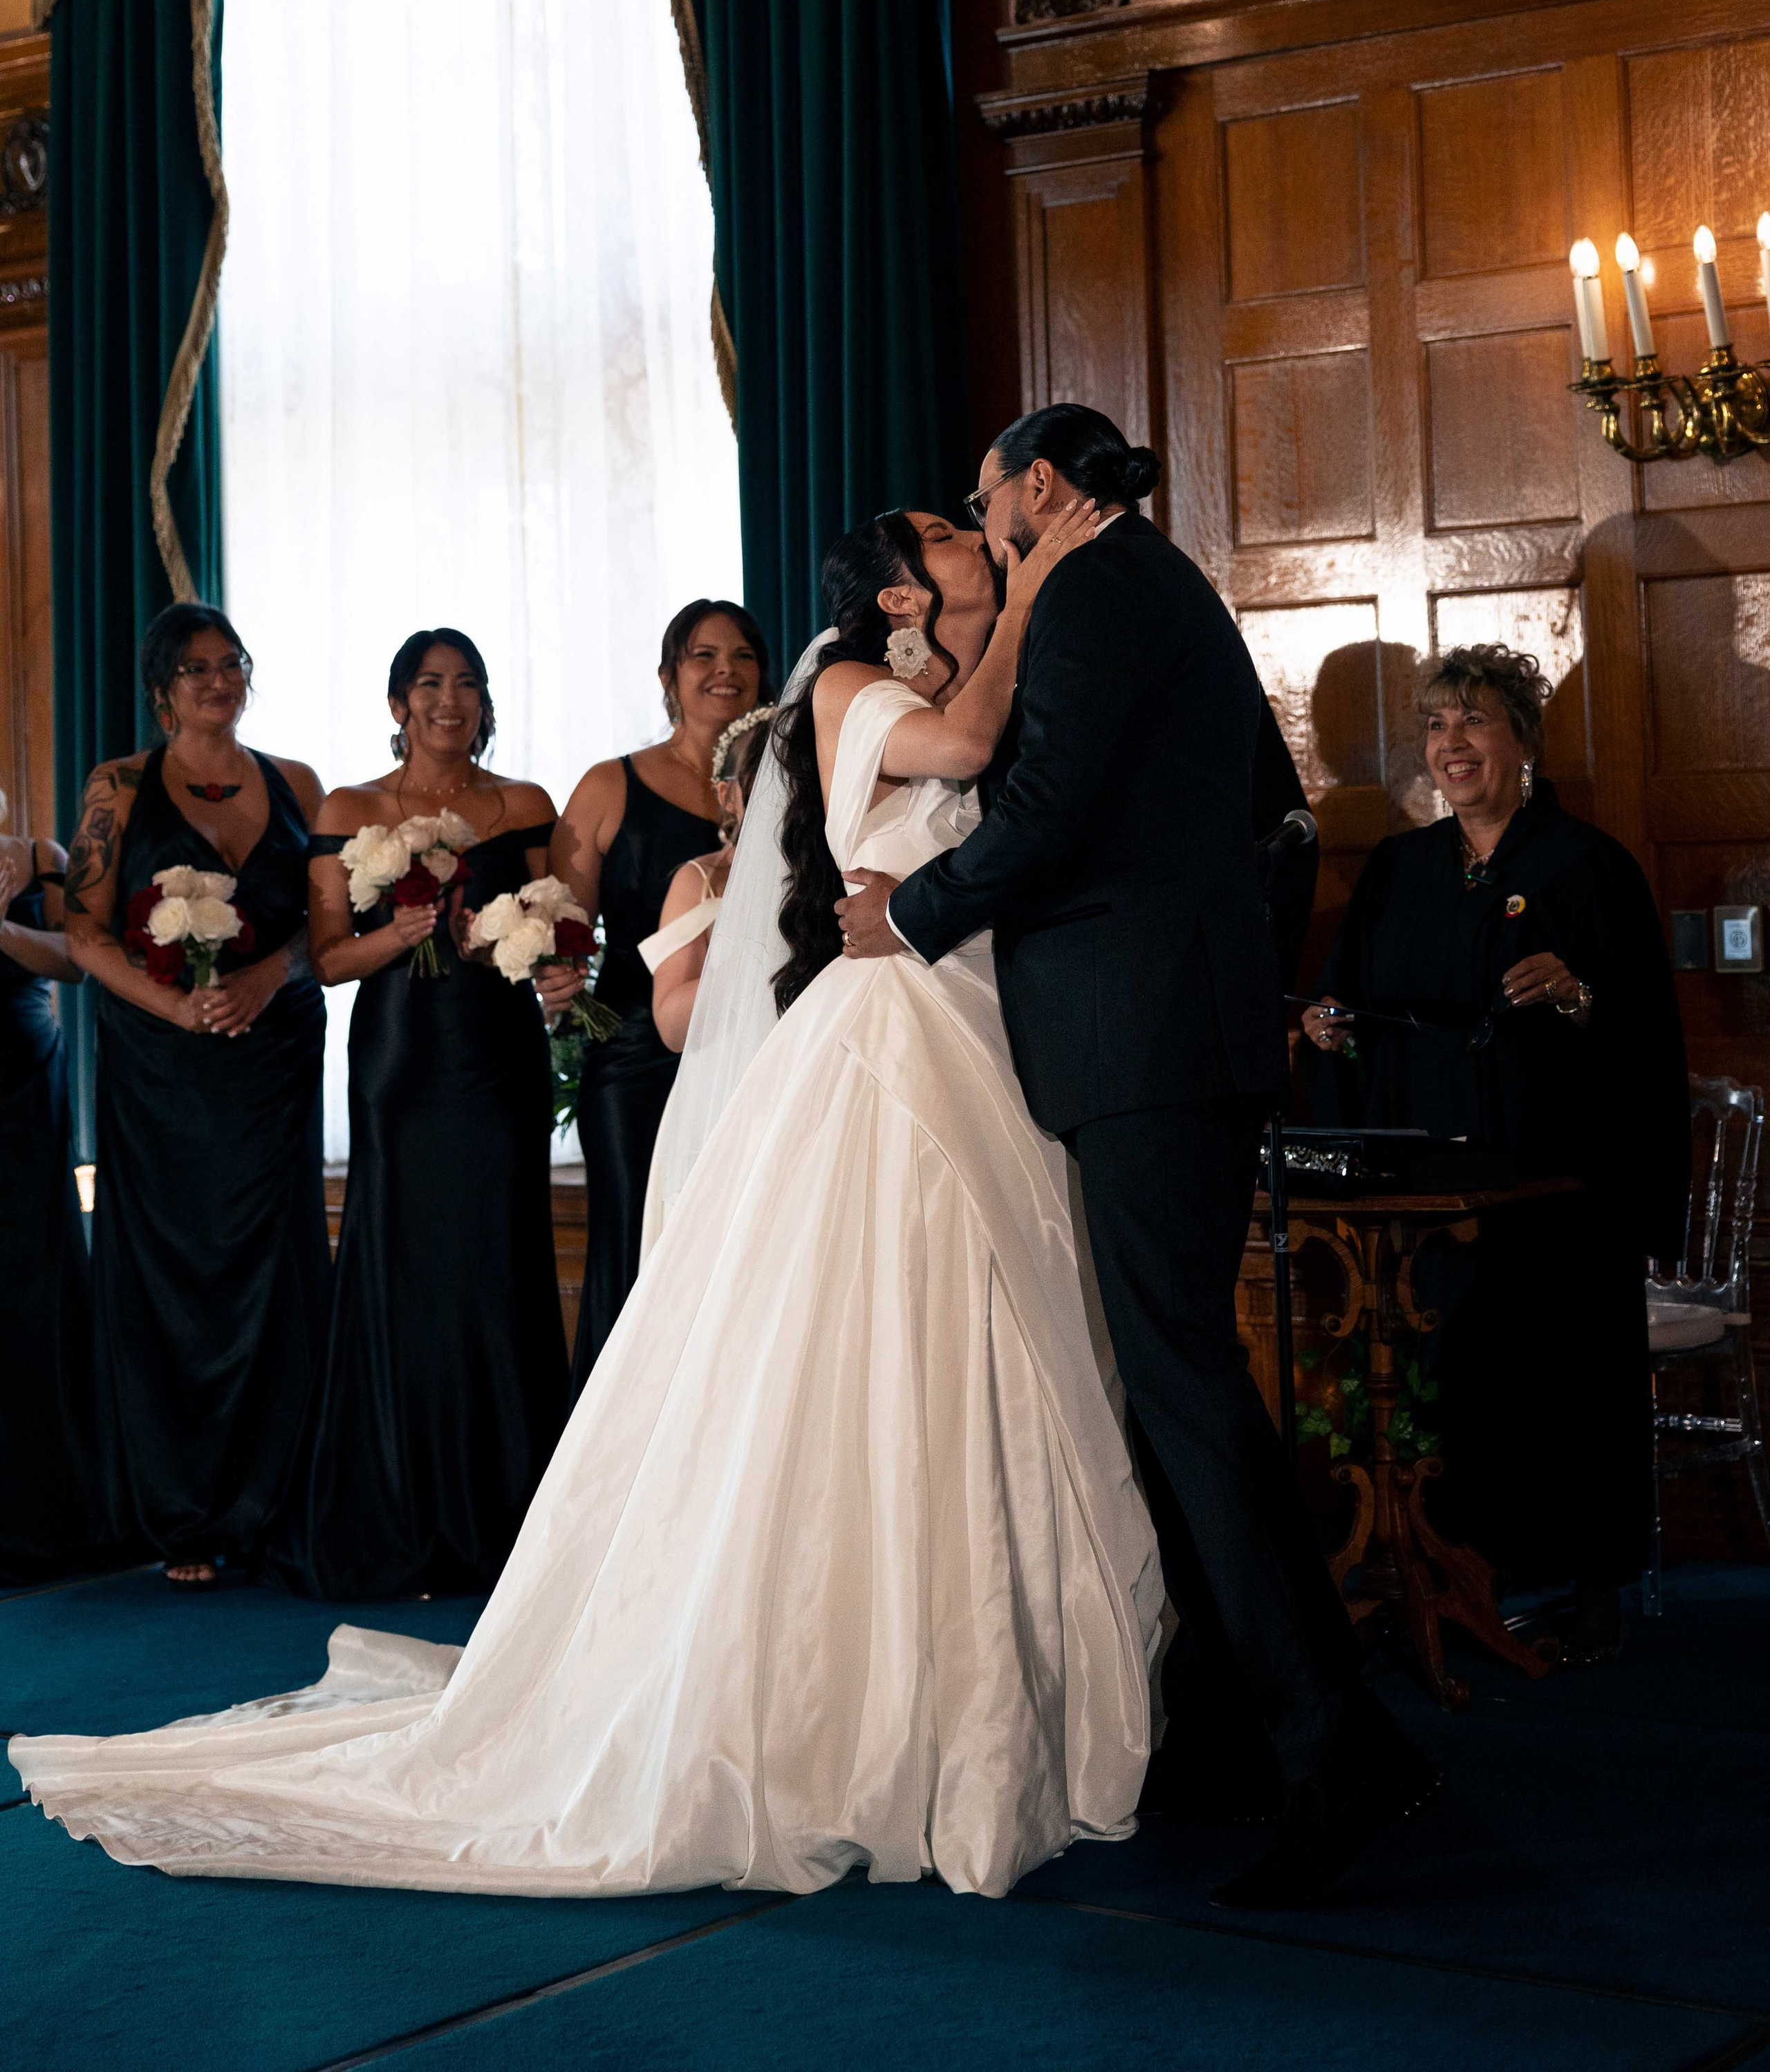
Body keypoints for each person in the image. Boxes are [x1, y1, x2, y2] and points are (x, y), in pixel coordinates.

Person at [9, 496, 1164, 1905]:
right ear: (899, 597)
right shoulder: (849, 692)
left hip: (911, 1035)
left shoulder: (623, 777)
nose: (978, 535)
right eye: (952, 533)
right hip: (458, 1059)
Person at [837, 403, 1433, 1912]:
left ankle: (1324, 1754)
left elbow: (1042, 815)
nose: (980, 532)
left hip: (1143, 1048)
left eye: (985, 505)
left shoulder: (1098, 589)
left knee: (1183, 1394)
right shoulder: (1156, 582)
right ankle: (1301, 1731)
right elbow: (1265, 816)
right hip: (1170, 1033)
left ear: (1039, 487)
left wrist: (903, 916)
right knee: (1185, 1390)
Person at [1303, 642, 1688, 1665]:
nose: (1453, 743)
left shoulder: (1585, 866)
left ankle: (1593, 1584)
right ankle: (1462, 1571)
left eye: (1474, 721)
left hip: (1554, 1179)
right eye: (1436, 726)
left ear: (1521, 739)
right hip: (1429, 1182)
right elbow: (1349, 1000)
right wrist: (1329, 1026)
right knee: (1445, 1375)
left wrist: (1575, 992)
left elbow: (1643, 1026)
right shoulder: (1399, 869)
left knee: (1569, 1381)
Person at [277, 630, 580, 1602]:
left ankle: (507, 1519)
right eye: (431, 685)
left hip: (497, 1058)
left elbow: (559, 928)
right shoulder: (351, 809)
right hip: (401, 1058)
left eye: (468, 685)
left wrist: (538, 964)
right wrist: (400, 935)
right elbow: (325, 960)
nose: (450, 700)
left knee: (498, 1263)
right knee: (403, 1264)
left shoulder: (525, 805)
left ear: (487, 704)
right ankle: (399, 1511)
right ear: (400, 702)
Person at [61, 605, 328, 1589]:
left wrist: (269, 979)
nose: (219, 681)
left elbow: (324, 928)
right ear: (161, 688)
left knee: (272, 1264)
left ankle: (275, 1500)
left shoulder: (297, 784)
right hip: (163, 1071)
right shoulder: (118, 789)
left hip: (273, 1060)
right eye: (196, 668)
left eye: (232, 664)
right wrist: (175, 1011)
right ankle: (179, 1511)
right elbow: (87, 937)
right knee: (172, 1272)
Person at [552, 600, 770, 1385]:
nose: (724, 671)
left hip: (751, 1054)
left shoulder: (790, 783)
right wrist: (554, 973)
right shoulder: (612, 784)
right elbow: (562, 925)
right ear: (668, 676)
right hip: (637, 1060)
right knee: (636, 1247)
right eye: (703, 655)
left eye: (742, 656)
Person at [0, 789, 99, 1580]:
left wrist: (1, 928)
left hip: (22, 1082)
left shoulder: (42, 858)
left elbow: (76, 956)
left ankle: (44, 1514)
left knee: (30, 1279)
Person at [646, 706, 775, 1056]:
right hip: (735, 1065)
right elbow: (671, 1026)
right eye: (764, 781)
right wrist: (760, 958)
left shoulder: (839, 864)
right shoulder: (700, 881)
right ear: (727, 796)